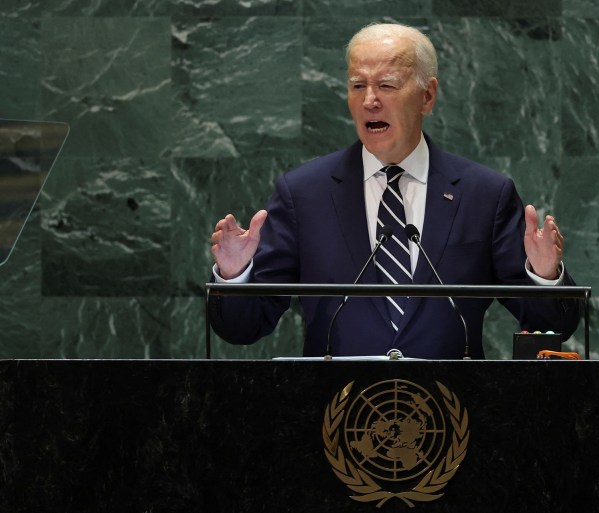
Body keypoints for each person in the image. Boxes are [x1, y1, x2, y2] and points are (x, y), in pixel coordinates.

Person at [208, 22, 580, 359]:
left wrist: (545, 275)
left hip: (450, 407)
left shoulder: (485, 195)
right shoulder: (304, 194)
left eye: (386, 85)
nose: (370, 100)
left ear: (427, 96)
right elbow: (243, 328)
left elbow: (552, 327)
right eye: (358, 86)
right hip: (335, 406)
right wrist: (234, 275)